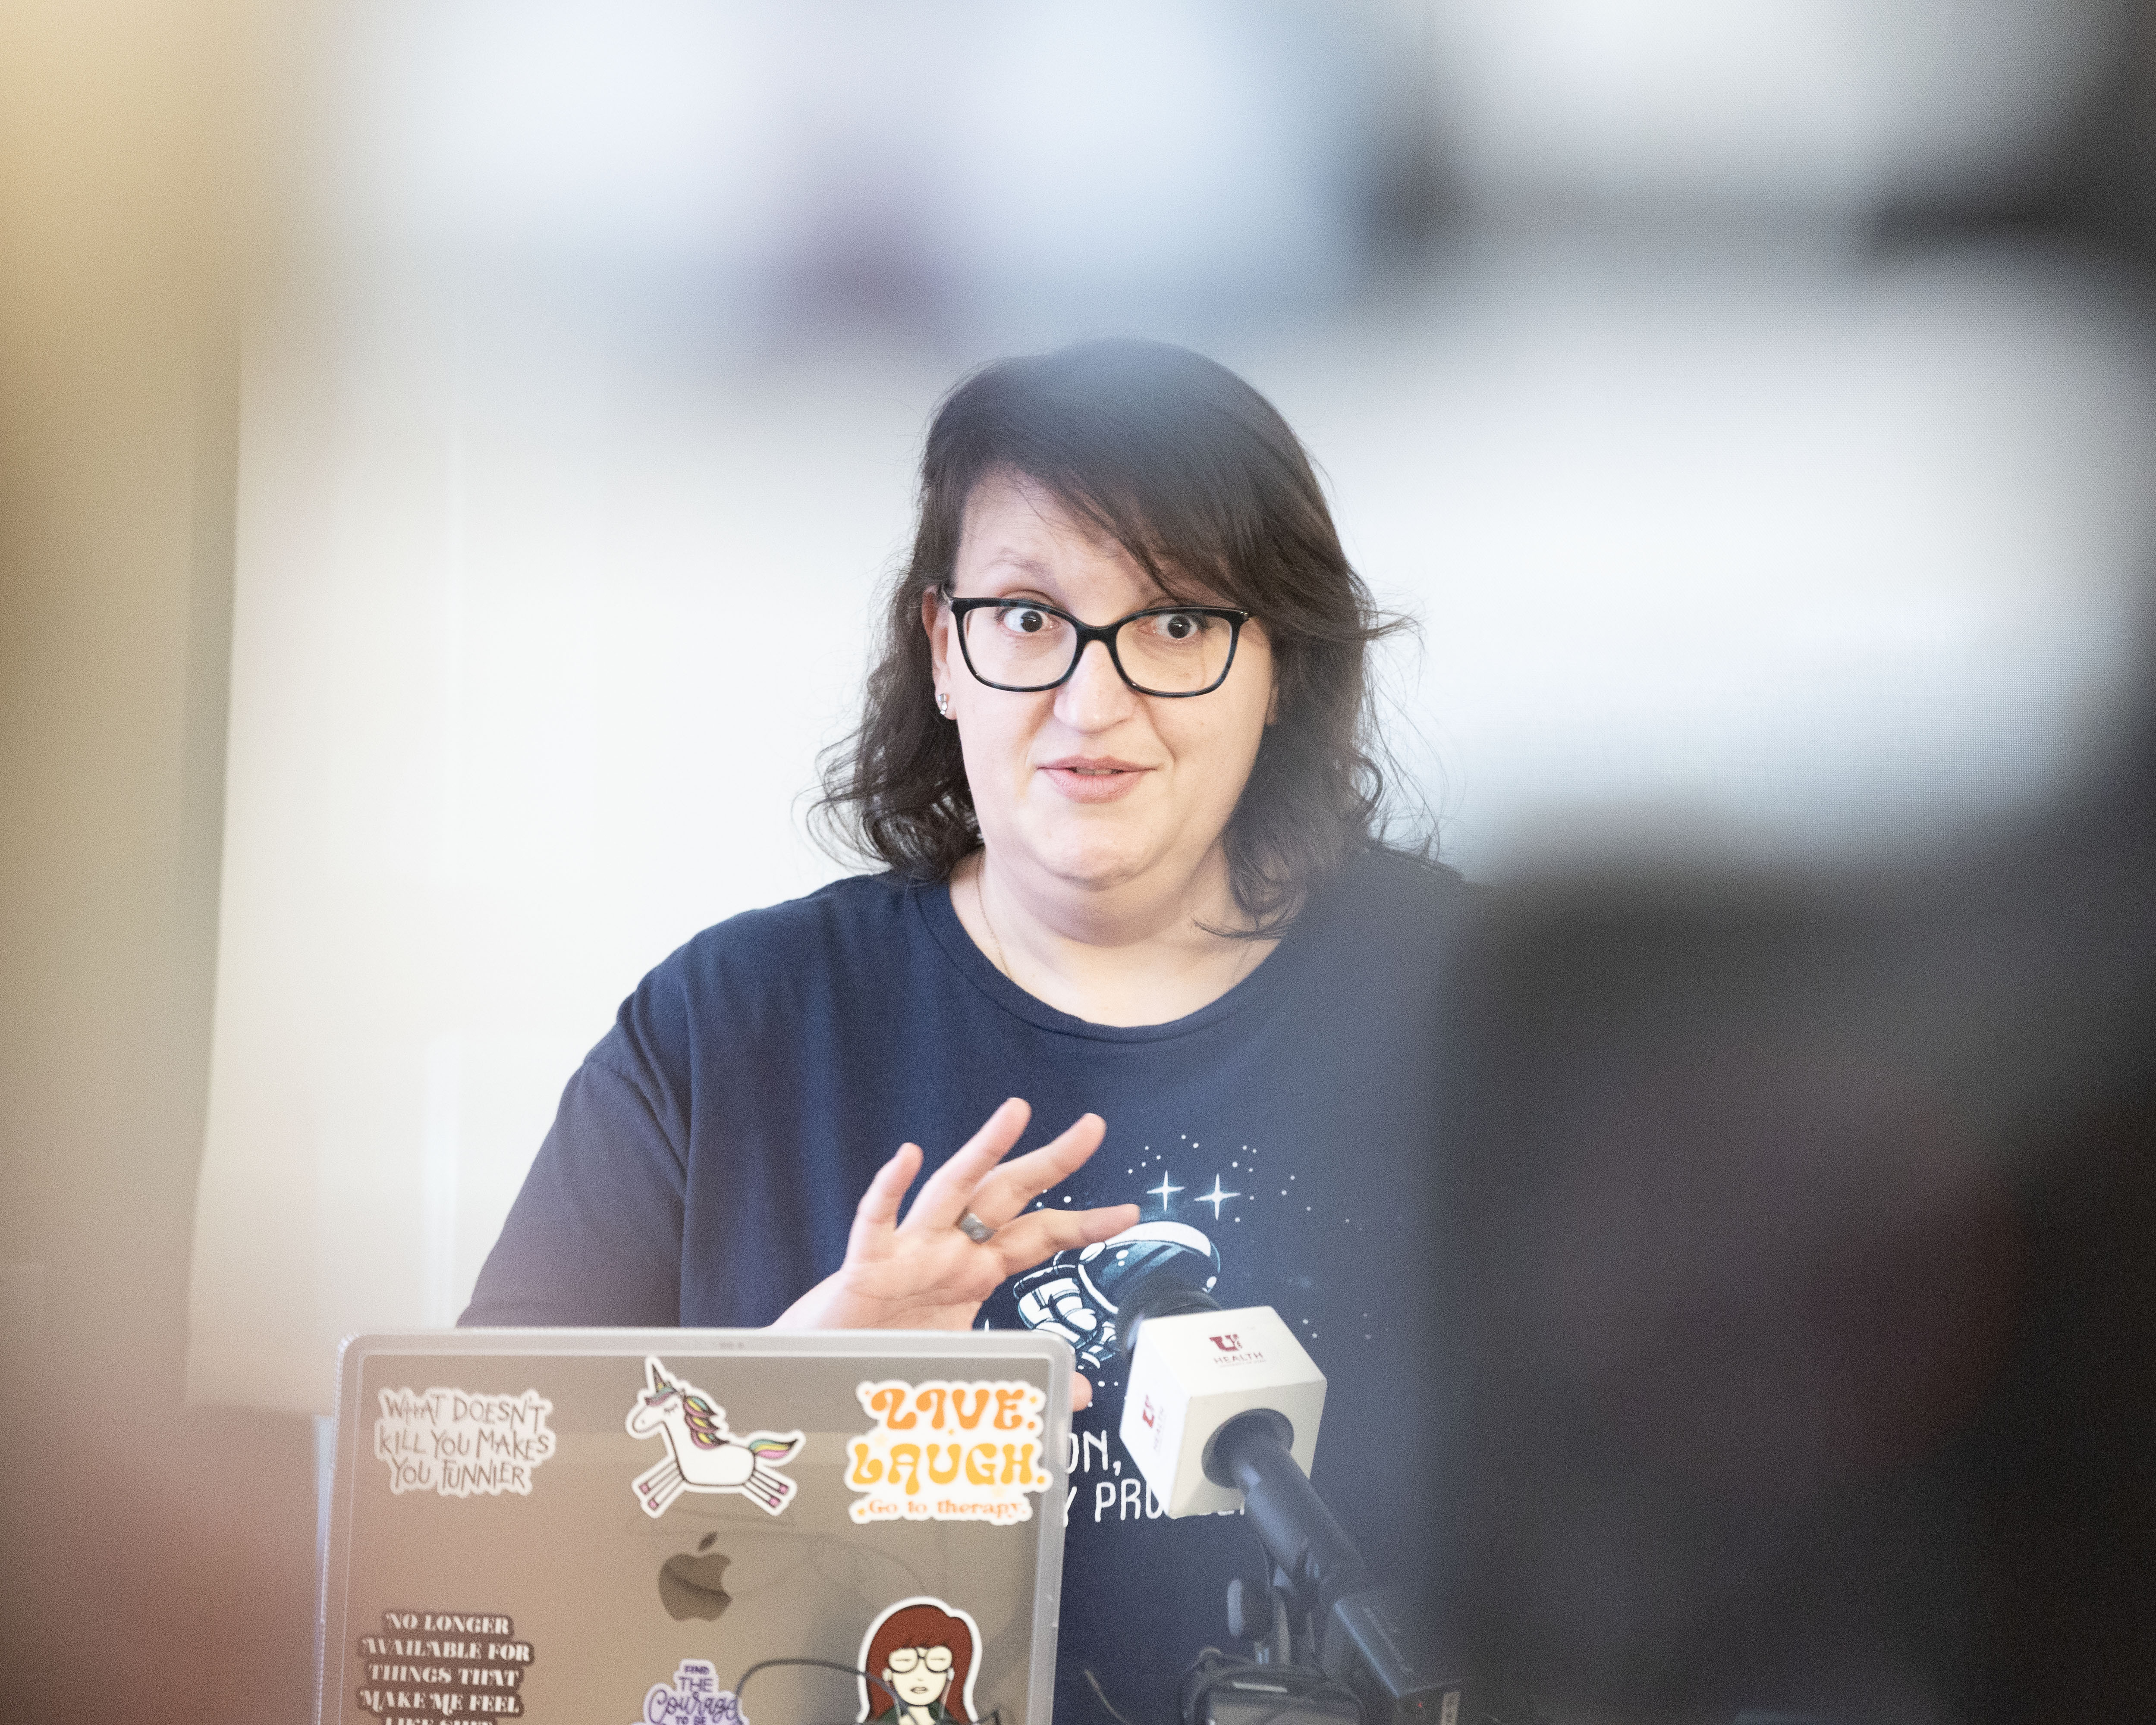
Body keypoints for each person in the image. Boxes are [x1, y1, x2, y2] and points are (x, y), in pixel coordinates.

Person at [464, 338, 1474, 1719]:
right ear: (943, 650)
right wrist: (806, 1395)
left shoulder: (1477, 1006)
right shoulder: (724, 1036)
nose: (1093, 699)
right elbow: (472, 1561)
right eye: (1027, 617)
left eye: (1178, 621)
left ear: (1279, 666)